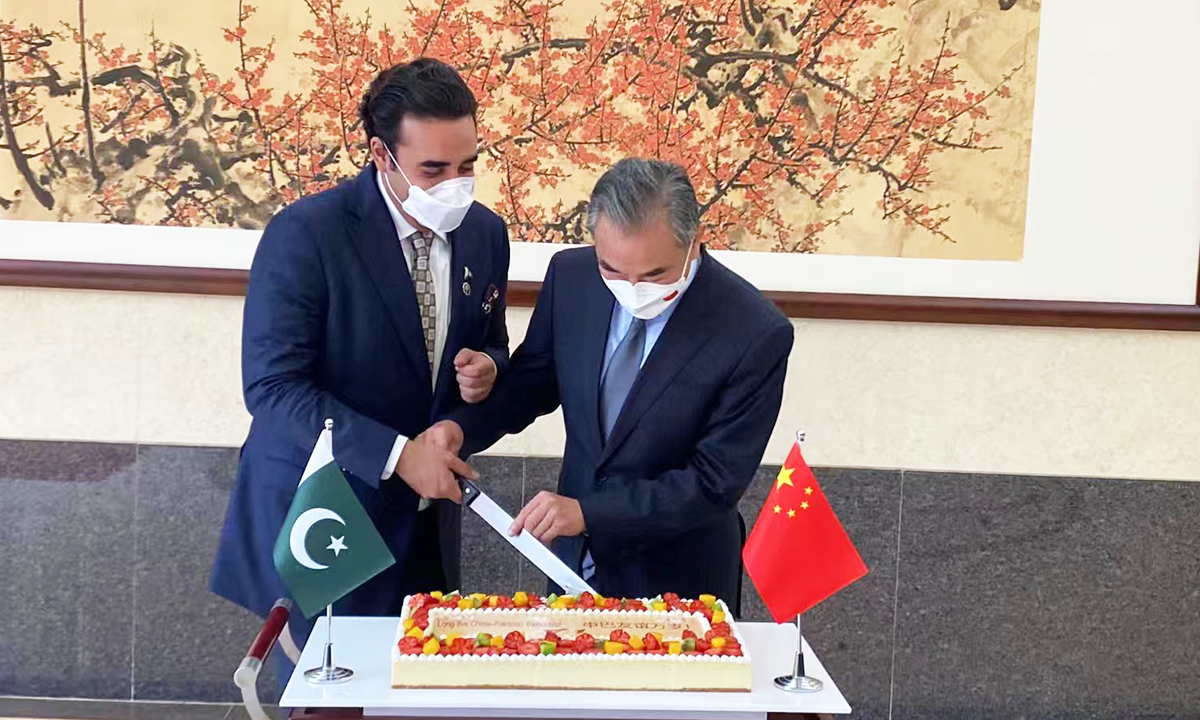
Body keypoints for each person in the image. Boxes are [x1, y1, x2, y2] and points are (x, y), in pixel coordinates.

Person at [210, 58, 509, 671]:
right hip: (329, 512)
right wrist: (399, 455)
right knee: (333, 696)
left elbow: (491, 344)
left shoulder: (483, 233)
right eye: (433, 169)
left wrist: (488, 371)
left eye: (467, 166)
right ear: (381, 153)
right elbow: (272, 387)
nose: (454, 184)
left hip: (427, 521)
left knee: (417, 689)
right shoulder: (308, 234)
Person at [427, 158, 793, 605]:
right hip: (570, 564)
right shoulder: (572, 277)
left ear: (695, 244)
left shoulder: (753, 332)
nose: (633, 287)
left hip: (680, 580)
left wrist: (590, 514)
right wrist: (462, 428)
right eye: (614, 270)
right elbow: (533, 382)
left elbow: (712, 481)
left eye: (655, 274)